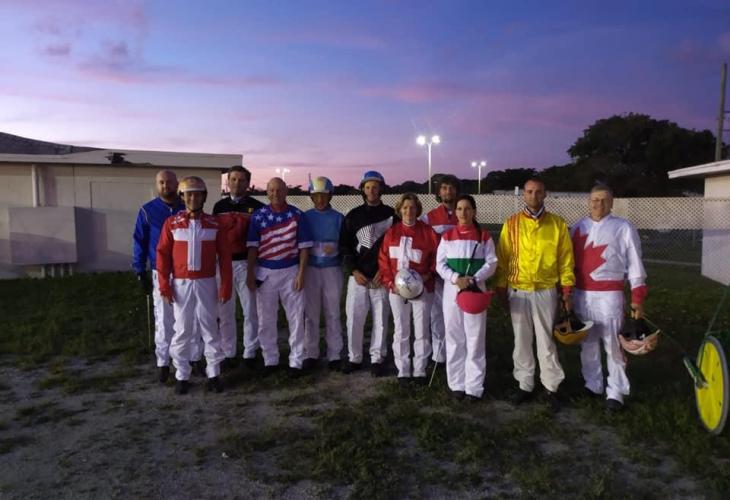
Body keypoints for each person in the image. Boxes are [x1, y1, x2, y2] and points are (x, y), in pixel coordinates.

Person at [495, 177, 575, 411]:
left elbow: (566, 260)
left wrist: (566, 291)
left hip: (545, 290)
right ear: (524, 195)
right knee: (521, 340)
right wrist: (500, 289)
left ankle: (551, 387)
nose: (533, 196)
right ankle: (525, 384)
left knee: (546, 341)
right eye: (529, 192)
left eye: (538, 192)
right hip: (518, 290)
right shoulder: (511, 223)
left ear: (545, 194)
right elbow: (503, 260)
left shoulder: (558, 224)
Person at [571, 184, 648, 412]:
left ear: (612, 202)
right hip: (582, 293)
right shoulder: (578, 227)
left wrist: (637, 296)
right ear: (588, 201)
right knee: (588, 343)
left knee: (613, 344)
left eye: (604, 200)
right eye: (595, 199)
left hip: (610, 294)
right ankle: (593, 384)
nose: (599, 204)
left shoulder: (623, 227)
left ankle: (615, 392)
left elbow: (635, 263)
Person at [156, 176, 232, 395]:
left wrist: (225, 286)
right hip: (181, 284)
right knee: (182, 330)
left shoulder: (215, 224)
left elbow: (225, 258)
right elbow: (162, 256)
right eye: (188, 194)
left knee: (210, 328)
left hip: (207, 282)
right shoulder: (172, 223)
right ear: (182, 197)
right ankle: (182, 375)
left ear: (204, 197)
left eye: (197, 194)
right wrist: (164, 285)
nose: (193, 198)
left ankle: (214, 374)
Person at [246, 177, 313, 377]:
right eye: (271, 190)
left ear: (286, 192)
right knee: (266, 319)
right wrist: (250, 273)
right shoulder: (258, 216)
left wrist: (301, 273)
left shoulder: (297, 215)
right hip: (265, 272)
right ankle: (270, 360)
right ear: (267, 192)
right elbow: (252, 248)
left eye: (279, 190)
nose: (275, 194)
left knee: (296, 318)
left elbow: (304, 248)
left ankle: (296, 361)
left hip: (291, 271)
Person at [436, 195, 498, 400]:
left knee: (475, 338)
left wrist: (474, 278)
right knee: (454, 337)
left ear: (474, 211)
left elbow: (492, 262)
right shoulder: (447, 237)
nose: (463, 213)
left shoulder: (484, 236)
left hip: (475, 290)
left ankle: (474, 387)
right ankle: (456, 384)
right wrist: (456, 278)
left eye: (467, 209)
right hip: (452, 291)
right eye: (459, 209)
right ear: (455, 212)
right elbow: (440, 265)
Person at [379, 193, 439, 385]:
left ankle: (420, 369)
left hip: (422, 289)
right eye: (405, 207)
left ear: (418, 209)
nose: (409, 211)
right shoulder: (392, 232)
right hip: (397, 290)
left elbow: (438, 258)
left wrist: (427, 275)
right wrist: (391, 284)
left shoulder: (428, 232)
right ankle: (403, 370)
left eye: (412, 207)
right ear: (400, 209)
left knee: (422, 330)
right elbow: (384, 260)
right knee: (401, 329)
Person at [132, 170, 185, 383]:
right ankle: (163, 362)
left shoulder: (187, 208)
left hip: (185, 271)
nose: (165, 186)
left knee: (187, 318)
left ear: (176, 184)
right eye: (161, 182)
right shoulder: (147, 211)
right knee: (163, 319)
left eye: (169, 182)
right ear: (157, 184)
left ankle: (189, 358)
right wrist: (139, 270)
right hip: (160, 271)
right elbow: (139, 241)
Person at [339, 171, 394, 376]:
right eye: (368, 187)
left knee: (381, 320)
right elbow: (344, 246)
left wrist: (384, 271)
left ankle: (377, 358)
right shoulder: (353, 215)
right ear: (362, 189)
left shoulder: (391, 214)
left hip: (381, 276)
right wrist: (353, 271)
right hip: (358, 277)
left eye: (375, 187)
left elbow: (396, 247)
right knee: (354, 318)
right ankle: (354, 358)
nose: (371, 191)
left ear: (381, 189)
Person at [212, 165, 265, 368]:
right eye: (233, 179)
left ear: (248, 183)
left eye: (242, 180)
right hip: (223, 264)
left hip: (246, 262)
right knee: (225, 310)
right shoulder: (219, 206)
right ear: (228, 182)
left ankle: (250, 352)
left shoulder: (257, 207)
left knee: (250, 310)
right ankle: (228, 352)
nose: (237, 183)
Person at [302, 176, 345, 371]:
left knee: (333, 312)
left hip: (332, 270)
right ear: (312, 197)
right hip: (311, 270)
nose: (320, 199)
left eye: (324, 195)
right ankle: (310, 353)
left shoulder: (338, 218)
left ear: (330, 196)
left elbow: (344, 244)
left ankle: (334, 353)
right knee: (310, 313)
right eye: (316, 196)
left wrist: (335, 248)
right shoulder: (305, 217)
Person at [420, 174, 460, 366]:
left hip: (459, 276)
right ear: (439, 192)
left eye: (451, 187)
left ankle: (457, 353)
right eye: (444, 188)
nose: (448, 191)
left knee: (458, 315)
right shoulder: (429, 217)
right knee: (437, 315)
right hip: (436, 276)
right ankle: (439, 356)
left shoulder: (464, 213)